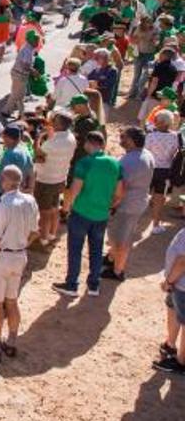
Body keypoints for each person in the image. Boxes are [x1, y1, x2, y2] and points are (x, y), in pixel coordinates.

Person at [0, 165, 38, 361]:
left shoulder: (2, 207)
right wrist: (20, 246)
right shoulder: (30, 201)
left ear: (4, 181)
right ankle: (11, 342)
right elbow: (35, 232)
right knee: (11, 301)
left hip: (1, 258)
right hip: (20, 256)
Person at [56, 130, 123, 298]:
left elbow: (75, 189)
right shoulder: (115, 163)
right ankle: (94, 285)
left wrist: (66, 208)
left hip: (81, 213)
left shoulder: (84, 163)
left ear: (89, 143)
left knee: (75, 250)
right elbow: (120, 192)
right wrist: (110, 206)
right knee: (96, 250)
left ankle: (72, 284)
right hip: (101, 215)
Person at [103, 127, 154, 282]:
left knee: (120, 240)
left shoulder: (129, 161)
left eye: (123, 137)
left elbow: (119, 188)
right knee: (122, 235)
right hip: (137, 203)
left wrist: (111, 205)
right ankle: (112, 258)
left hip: (126, 206)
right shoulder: (147, 155)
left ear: (131, 141)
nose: (121, 139)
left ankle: (118, 271)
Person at [32, 111, 76, 245]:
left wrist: (38, 137)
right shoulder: (71, 138)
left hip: (45, 180)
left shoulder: (52, 143)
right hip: (60, 178)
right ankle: (51, 234)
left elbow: (38, 154)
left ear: (58, 124)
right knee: (54, 208)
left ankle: (43, 239)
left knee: (44, 211)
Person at [153, 227, 185, 375]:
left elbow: (182, 262)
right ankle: (170, 344)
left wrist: (169, 282)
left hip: (180, 284)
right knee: (172, 308)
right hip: (177, 284)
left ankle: (181, 362)